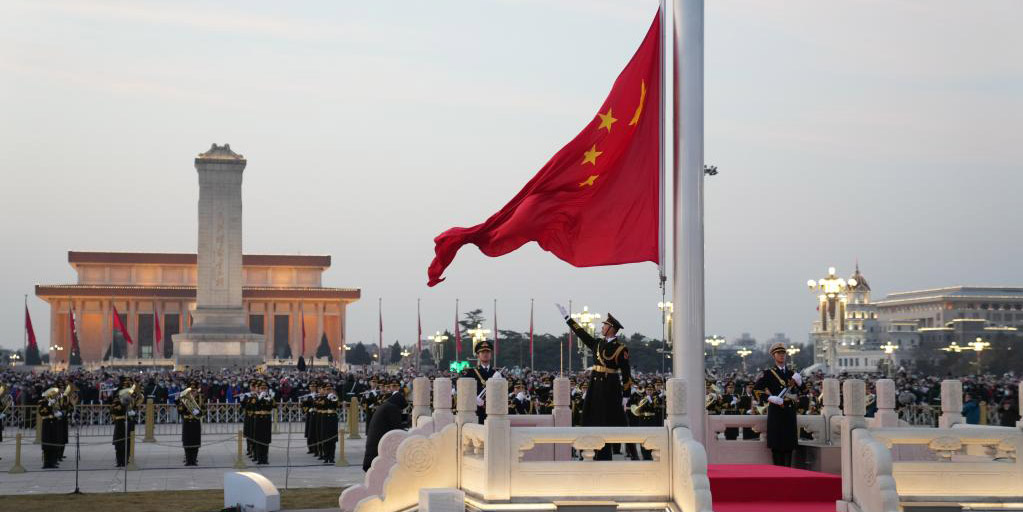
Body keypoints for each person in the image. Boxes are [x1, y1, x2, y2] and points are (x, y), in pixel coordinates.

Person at [557, 305, 633, 460]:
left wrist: (626, 395)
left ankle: (607, 454)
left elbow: (626, 374)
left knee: (608, 420)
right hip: (595, 385)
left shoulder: (620, 348)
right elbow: (581, 333)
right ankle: (587, 449)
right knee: (590, 417)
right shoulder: (597, 343)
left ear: (611, 328)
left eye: (605, 325)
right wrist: (568, 319)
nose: (602, 327)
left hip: (609, 386)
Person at [753, 342, 803, 467]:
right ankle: (779, 474)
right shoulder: (769, 373)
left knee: (789, 446)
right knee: (777, 446)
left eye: (783, 353)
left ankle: (789, 473)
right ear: (773, 356)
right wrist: (770, 398)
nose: (782, 356)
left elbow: (805, 392)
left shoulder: (792, 374)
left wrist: (800, 383)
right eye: (778, 353)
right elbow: (756, 390)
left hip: (789, 413)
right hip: (776, 412)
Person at [362, 383, 409, 471]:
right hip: (377, 451)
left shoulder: (387, 406)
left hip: (374, 447)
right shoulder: (392, 408)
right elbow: (397, 429)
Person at [459, 339, 498, 423]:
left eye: (488, 352)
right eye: (482, 352)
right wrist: (474, 399)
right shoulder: (471, 373)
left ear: (491, 354)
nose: (485, 354)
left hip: (494, 411)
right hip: (477, 412)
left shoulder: (497, 374)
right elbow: (464, 392)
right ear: (478, 355)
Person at [176, 379, 204, 466]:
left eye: (194, 391)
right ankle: (188, 460)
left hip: (195, 421)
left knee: (195, 441)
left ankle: (194, 460)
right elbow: (180, 411)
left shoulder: (199, 398)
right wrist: (177, 402)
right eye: (191, 391)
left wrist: (198, 411)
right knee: (187, 441)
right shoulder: (184, 399)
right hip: (187, 421)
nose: (192, 392)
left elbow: (203, 409)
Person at [38, 387, 62, 469]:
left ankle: (53, 462)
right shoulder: (42, 402)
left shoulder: (55, 401)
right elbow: (41, 412)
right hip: (47, 423)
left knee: (54, 442)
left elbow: (58, 410)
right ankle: (46, 463)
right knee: (47, 443)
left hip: (54, 423)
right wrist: (48, 405)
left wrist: (58, 412)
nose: (53, 396)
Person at [251, 379, 274, 465]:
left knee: (266, 439)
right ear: (259, 389)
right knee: (258, 438)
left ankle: (265, 458)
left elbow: (273, 406)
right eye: (262, 388)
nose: (263, 390)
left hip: (266, 420)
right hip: (259, 420)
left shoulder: (269, 397)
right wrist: (259, 398)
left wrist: (270, 399)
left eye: (265, 389)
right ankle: (259, 458)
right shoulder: (255, 397)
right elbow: (253, 406)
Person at [318, 382, 341, 464]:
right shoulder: (323, 398)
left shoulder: (334, 397)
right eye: (327, 389)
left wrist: (332, 396)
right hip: (324, 418)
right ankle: (326, 456)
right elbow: (320, 405)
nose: (328, 391)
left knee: (332, 438)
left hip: (332, 418)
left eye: (330, 389)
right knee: (325, 438)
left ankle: (331, 457)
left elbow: (337, 405)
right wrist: (327, 397)